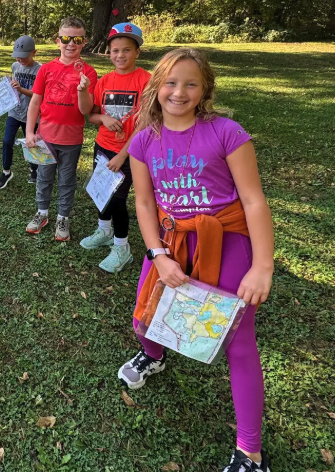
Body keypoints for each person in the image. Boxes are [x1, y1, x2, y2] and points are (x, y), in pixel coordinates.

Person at [119, 48, 273, 472]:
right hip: (170, 243)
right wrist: (158, 255)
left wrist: (262, 266)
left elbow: (254, 202)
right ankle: (153, 355)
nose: (179, 92)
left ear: (204, 88)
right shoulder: (144, 138)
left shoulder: (227, 132)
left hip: (227, 243)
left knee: (238, 343)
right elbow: (145, 203)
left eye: (190, 83)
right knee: (144, 315)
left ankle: (250, 452)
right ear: (156, 86)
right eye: (170, 82)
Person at [80, 23, 151, 272]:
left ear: (137, 52)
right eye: (115, 50)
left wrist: (123, 155)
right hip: (103, 146)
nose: (120, 56)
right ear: (109, 52)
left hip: (130, 153)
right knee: (102, 193)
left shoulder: (146, 81)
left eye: (127, 50)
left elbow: (145, 125)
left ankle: (122, 247)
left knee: (118, 200)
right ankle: (103, 231)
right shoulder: (105, 81)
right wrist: (104, 120)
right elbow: (92, 115)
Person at [24, 16, 96, 241]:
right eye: (66, 38)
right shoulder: (46, 69)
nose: (71, 43)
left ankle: (63, 217)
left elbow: (86, 110)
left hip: (71, 139)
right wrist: (29, 132)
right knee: (44, 177)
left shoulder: (88, 72)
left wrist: (83, 89)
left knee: (66, 180)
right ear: (58, 40)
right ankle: (42, 213)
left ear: (84, 42)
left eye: (77, 39)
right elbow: (35, 102)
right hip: (45, 137)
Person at [0, 35, 41, 189]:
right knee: (7, 141)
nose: (20, 60)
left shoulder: (40, 69)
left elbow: (38, 94)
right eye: (17, 57)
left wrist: (21, 89)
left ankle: (34, 170)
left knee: (32, 144)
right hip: (15, 112)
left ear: (34, 52)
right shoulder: (15, 66)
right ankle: (6, 172)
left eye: (24, 57)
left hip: (32, 114)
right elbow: (13, 89)